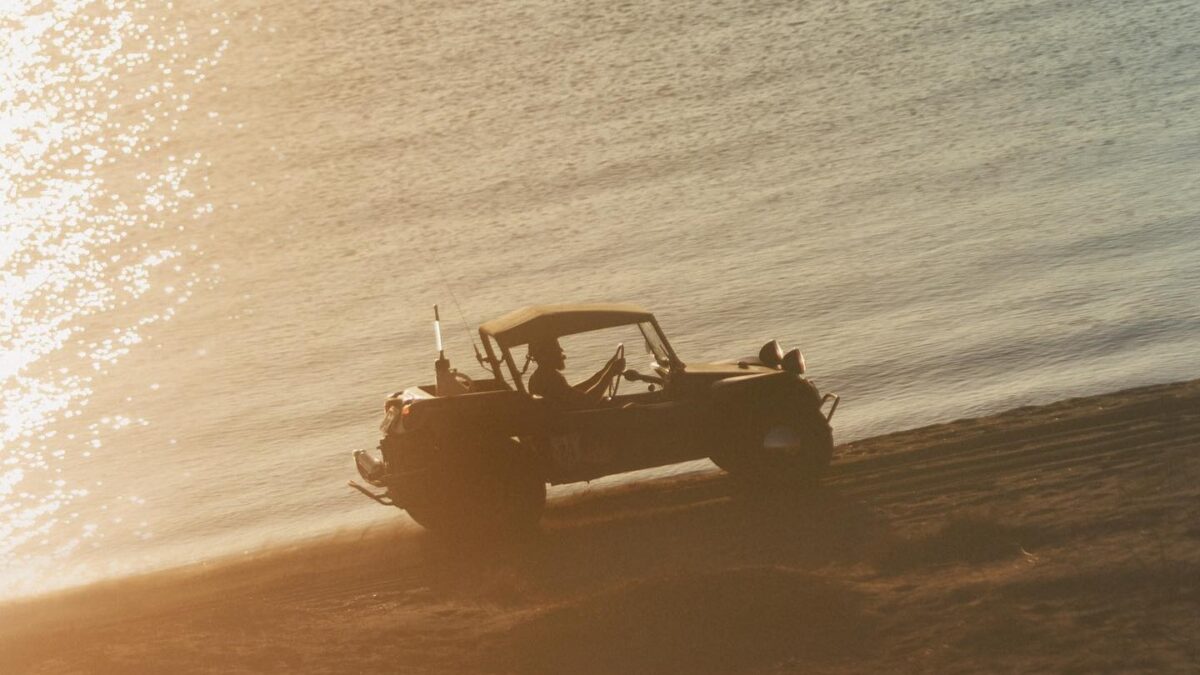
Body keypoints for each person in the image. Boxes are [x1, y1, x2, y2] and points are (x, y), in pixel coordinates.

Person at [527, 337, 625, 409]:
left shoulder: (538, 377)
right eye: (555, 347)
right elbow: (587, 401)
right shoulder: (550, 378)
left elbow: (572, 393)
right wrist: (610, 373)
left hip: (566, 427)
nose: (561, 350)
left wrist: (605, 370)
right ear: (544, 354)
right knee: (631, 408)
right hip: (571, 432)